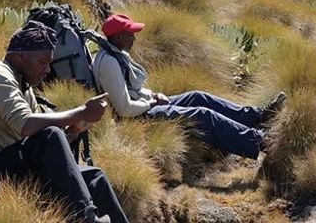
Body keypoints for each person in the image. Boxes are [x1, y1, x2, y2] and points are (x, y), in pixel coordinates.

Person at [0, 20, 128, 223]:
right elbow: (27, 126)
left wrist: (72, 131)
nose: (47, 70)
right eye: (43, 62)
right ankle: (86, 218)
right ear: (20, 56)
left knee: (95, 178)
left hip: (6, 166)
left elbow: (39, 140)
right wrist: (82, 111)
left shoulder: (25, 87)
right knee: (50, 135)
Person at [92, 13, 286, 159]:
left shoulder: (115, 54)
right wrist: (150, 104)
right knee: (203, 116)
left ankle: (256, 116)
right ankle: (259, 140)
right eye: (130, 33)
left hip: (140, 108)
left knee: (197, 96)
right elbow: (124, 109)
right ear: (118, 37)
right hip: (133, 118)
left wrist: (153, 95)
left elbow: (131, 89)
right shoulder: (109, 62)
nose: (134, 37)